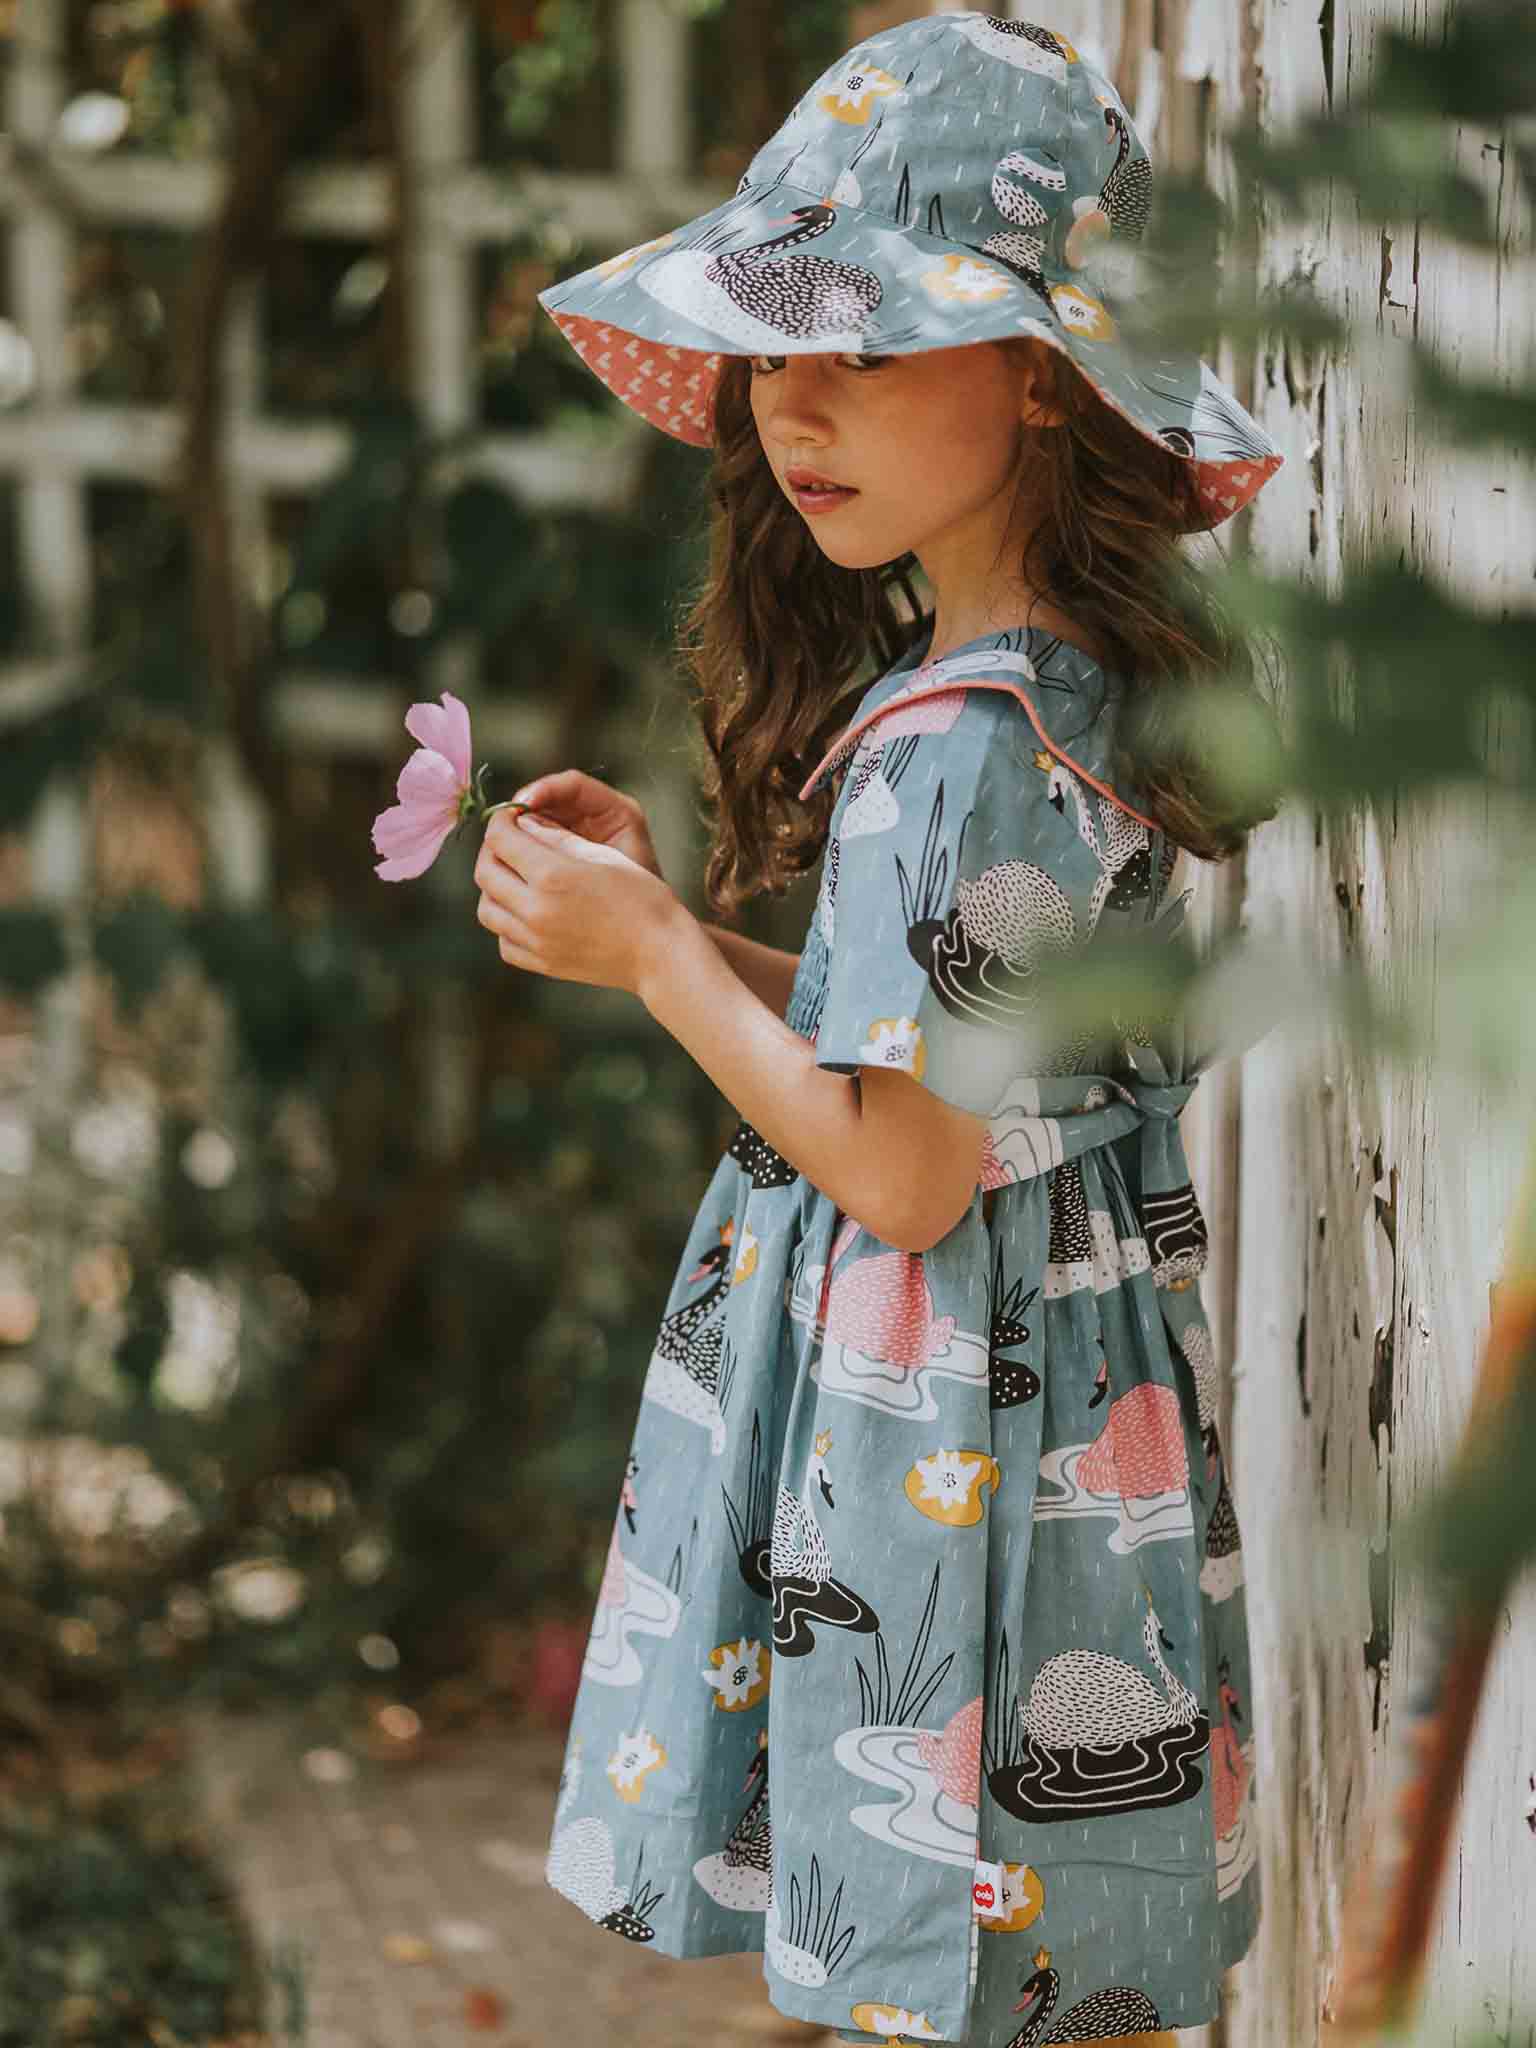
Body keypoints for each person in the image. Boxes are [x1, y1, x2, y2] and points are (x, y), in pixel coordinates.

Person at [472, 15, 1285, 2046]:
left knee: (939, 1961)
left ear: (1036, 369)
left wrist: (662, 951)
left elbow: (900, 1170)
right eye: (776, 354)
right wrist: (670, 936)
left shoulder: (956, 744)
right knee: (1032, 1967)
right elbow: (946, 1077)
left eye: (866, 344)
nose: (794, 410)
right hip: (1053, 1408)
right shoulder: (1055, 685)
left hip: (961, 1448)